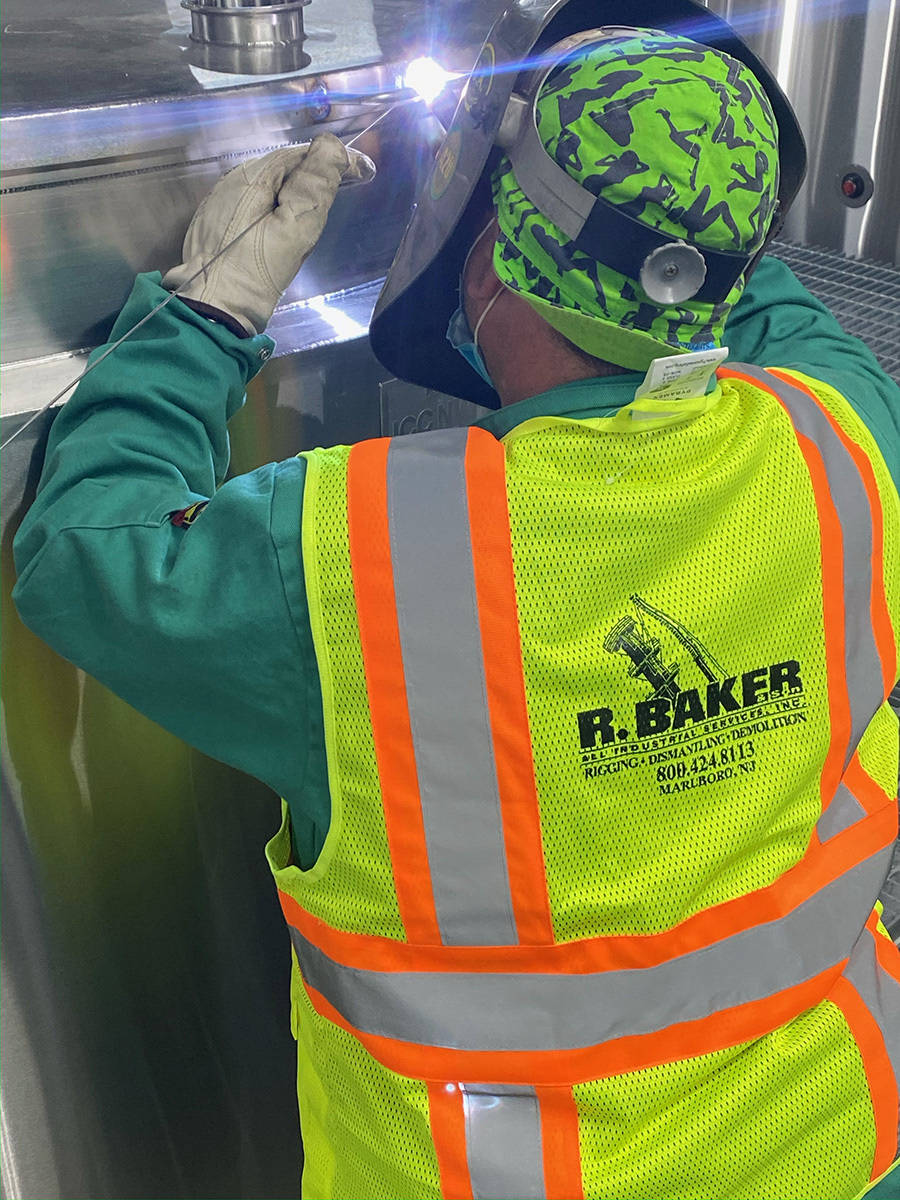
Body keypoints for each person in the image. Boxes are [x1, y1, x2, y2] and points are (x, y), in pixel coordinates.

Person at [12, 0, 900, 1196]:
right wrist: (685, 193)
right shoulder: (845, 440)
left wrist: (207, 308)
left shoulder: (349, 562)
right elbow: (755, 299)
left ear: (488, 255)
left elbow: (83, 547)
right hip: (836, 1157)